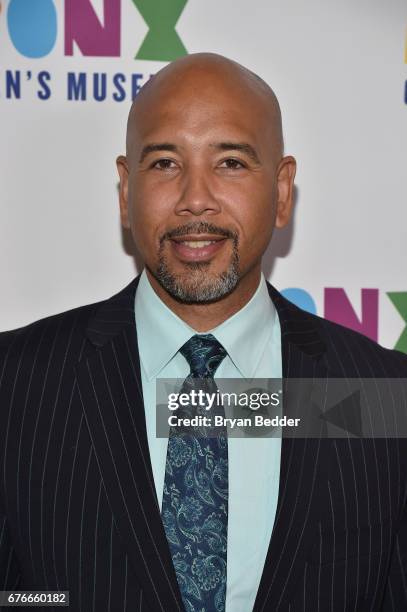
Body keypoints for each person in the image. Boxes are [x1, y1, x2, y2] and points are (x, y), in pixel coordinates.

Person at [0, 53, 406, 612]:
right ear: (125, 190)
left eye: (232, 163)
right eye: (165, 162)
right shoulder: (16, 382)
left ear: (283, 190)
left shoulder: (380, 394)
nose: (196, 198)